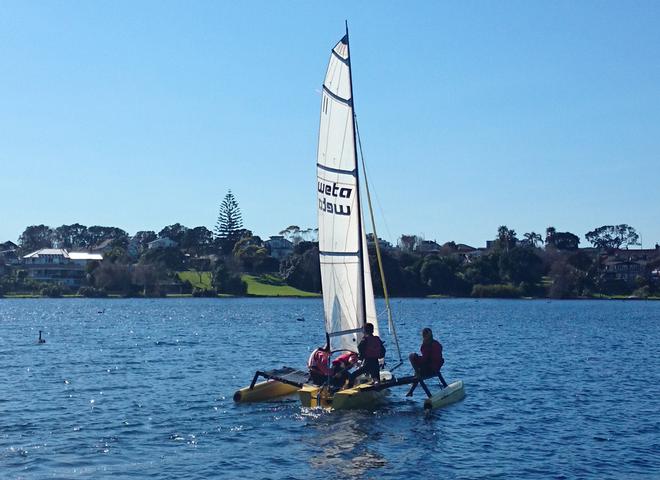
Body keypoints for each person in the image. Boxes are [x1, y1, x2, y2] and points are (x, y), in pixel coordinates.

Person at [348, 323, 385, 387]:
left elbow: (360, 349)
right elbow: (383, 351)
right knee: (375, 378)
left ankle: (349, 390)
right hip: (375, 362)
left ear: (364, 331)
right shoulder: (377, 339)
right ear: (372, 331)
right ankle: (377, 387)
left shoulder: (364, 340)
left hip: (367, 362)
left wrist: (360, 359)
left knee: (353, 375)